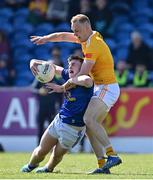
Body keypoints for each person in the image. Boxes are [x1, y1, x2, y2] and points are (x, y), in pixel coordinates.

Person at [30, 14, 122, 174]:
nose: (76, 34)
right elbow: (62, 36)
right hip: (101, 88)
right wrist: (45, 38)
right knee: (89, 126)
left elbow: (82, 76)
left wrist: (62, 88)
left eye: (77, 31)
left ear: (87, 27)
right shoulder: (86, 38)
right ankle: (102, 164)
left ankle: (112, 155)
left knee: (88, 119)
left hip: (107, 87)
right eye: (74, 31)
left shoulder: (94, 45)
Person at [21, 55, 93, 173]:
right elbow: (53, 67)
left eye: (74, 64)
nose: (70, 66)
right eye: (69, 65)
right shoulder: (67, 74)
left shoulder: (88, 80)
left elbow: (86, 81)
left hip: (73, 130)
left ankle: (48, 169)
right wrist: (34, 61)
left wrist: (63, 87)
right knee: (41, 151)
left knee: (56, 155)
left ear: (82, 68)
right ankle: (30, 166)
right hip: (59, 121)